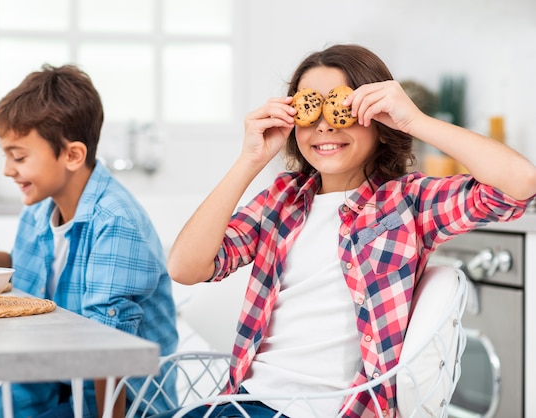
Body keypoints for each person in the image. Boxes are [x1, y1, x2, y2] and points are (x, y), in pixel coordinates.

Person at [157, 44, 536, 418]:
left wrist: (414, 120)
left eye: (343, 110)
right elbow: (185, 267)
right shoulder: (281, 200)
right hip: (244, 400)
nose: (324, 123)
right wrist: (249, 159)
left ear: (381, 122)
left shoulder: (408, 202)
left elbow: (520, 183)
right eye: (310, 110)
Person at [0, 64, 178, 418]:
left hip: (118, 400)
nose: (7, 169)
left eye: (19, 156)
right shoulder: (42, 207)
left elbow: (110, 356)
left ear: (72, 155)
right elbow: (24, 271)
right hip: (50, 377)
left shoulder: (115, 224)